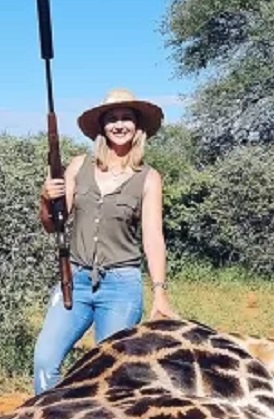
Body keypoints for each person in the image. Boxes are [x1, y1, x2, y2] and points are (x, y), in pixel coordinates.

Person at [33, 88, 177, 395]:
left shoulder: (149, 177)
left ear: (138, 128)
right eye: (112, 118)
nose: (119, 124)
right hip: (75, 280)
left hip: (121, 286)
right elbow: (51, 225)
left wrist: (160, 293)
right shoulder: (78, 166)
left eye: (127, 118)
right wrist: (46, 200)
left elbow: (153, 237)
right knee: (45, 361)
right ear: (102, 127)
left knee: (110, 376)